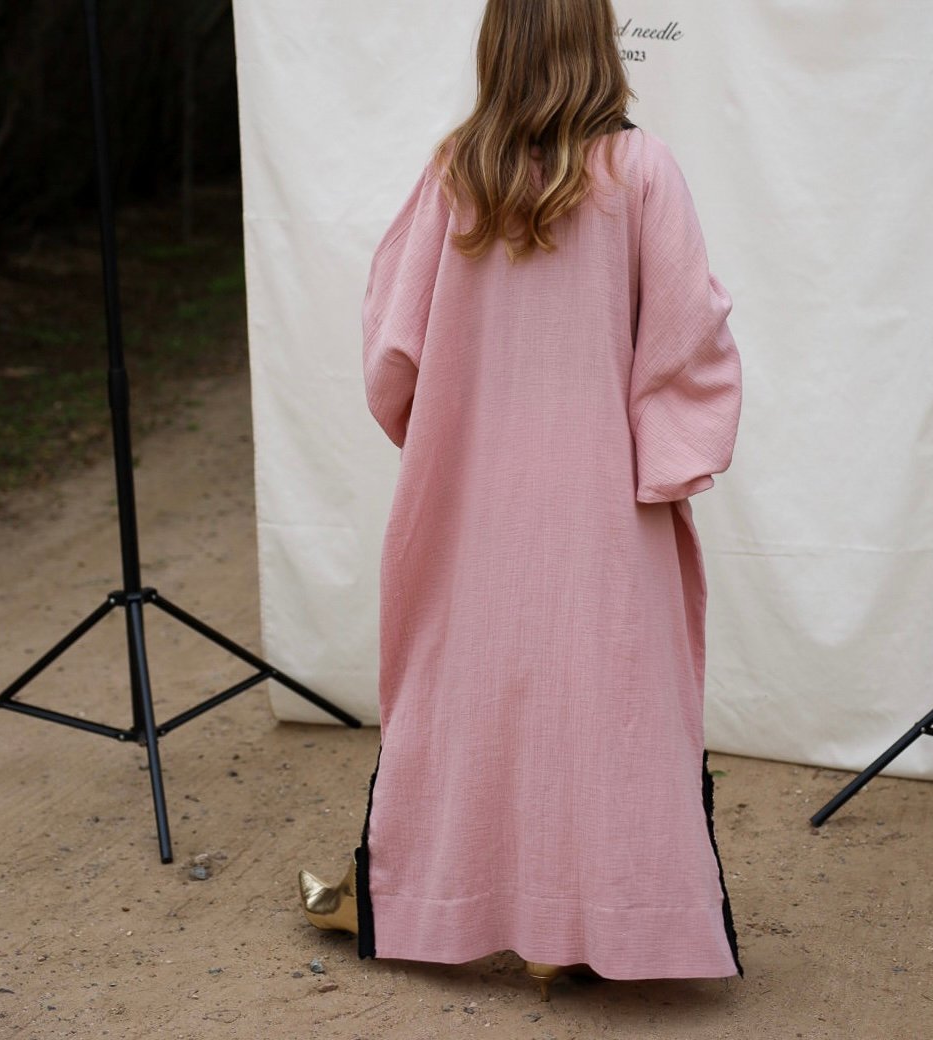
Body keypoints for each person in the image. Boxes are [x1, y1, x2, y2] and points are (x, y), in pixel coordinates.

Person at [298, 0, 744, 1001]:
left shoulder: (455, 173)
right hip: (606, 506)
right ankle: (586, 926)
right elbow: (689, 340)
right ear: (595, 42)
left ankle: (435, 898)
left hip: (469, 502)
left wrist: (450, 436)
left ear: (496, 44)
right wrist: (665, 461)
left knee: (462, 694)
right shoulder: (641, 170)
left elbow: (393, 350)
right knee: (609, 703)